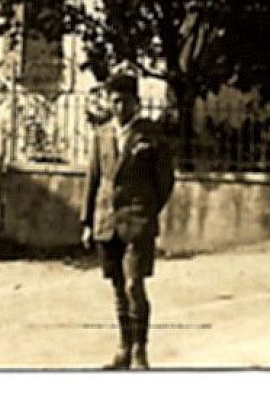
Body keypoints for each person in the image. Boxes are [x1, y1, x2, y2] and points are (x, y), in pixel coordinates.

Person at [81, 71, 175, 370]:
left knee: (135, 285)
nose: (119, 108)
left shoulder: (151, 135)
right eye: (115, 101)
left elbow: (165, 182)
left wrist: (147, 211)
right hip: (107, 221)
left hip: (138, 221)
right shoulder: (101, 135)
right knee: (118, 288)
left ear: (136, 102)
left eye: (125, 101)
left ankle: (140, 351)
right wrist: (87, 222)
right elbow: (92, 180)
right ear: (109, 102)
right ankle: (123, 348)